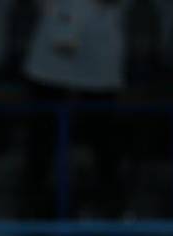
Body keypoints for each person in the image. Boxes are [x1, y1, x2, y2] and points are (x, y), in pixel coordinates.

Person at [21, 0, 128, 219]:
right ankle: (32, 209)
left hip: (98, 59)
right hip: (51, 56)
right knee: (42, 139)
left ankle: (111, 208)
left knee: (104, 139)